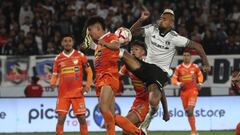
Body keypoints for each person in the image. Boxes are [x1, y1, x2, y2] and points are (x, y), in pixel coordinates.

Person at [118, 8, 210, 134]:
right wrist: (141, 20)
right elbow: (130, 34)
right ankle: (106, 48)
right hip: (146, 67)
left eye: (164, 19)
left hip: (160, 72)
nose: (160, 20)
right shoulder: (151, 29)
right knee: (124, 54)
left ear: (171, 23)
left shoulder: (174, 37)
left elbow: (197, 46)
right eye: (160, 18)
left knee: (153, 100)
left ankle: (147, 121)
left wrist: (205, 62)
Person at [84, 16, 121, 135]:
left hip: (109, 76)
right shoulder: (98, 45)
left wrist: (104, 43)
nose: (89, 33)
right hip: (100, 79)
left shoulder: (110, 37)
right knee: (109, 112)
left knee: (103, 107)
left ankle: (134, 130)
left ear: (98, 28)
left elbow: (116, 46)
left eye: (90, 30)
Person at [50, 34, 93, 135]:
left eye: (69, 41)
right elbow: (55, 74)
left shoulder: (80, 55)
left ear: (73, 43)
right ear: (62, 43)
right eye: (65, 41)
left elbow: (89, 71)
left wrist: (87, 85)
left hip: (77, 93)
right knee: (61, 119)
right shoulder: (58, 58)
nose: (67, 43)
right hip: (63, 94)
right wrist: (52, 83)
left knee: (82, 118)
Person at [115, 41, 149, 135]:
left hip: (148, 101)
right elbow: (116, 77)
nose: (133, 51)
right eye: (131, 49)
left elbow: (163, 81)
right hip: (138, 99)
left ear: (143, 52)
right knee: (126, 132)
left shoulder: (149, 65)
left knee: (125, 122)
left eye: (136, 49)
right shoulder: (127, 66)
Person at [171, 50, 204, 135]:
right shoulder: (179, 68)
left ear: (190, 57)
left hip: (193, 91)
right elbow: (173, 79)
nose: (186, 57)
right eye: (184, 55)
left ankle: (193, 132)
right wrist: (179, 83)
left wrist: (200, 83)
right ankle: (195, 131)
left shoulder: (195, 67)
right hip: (183, 93)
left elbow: (200, 75)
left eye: (188, 55)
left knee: (190, 110)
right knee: (188, 113)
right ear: (183, 57)